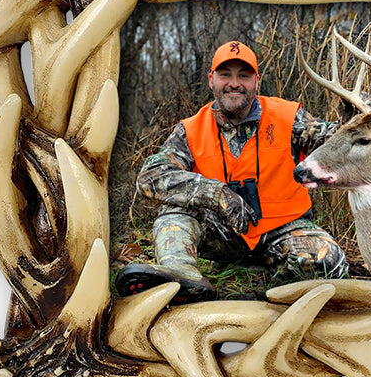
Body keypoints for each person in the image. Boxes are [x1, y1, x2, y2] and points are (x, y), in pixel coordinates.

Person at [115, 40, 349, 300]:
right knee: (175, 208)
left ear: (256, 81)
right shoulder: (191, 129)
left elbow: (335, 142)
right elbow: (151, 175)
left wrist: (353, 122)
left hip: (282, 229)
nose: (234, 83)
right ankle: (182, 276)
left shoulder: (288, 116)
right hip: (222, 234)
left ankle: (267, 289)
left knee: (331, 264)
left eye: (244, 76)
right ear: (211, 80)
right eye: (225, 75)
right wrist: (217, 194)